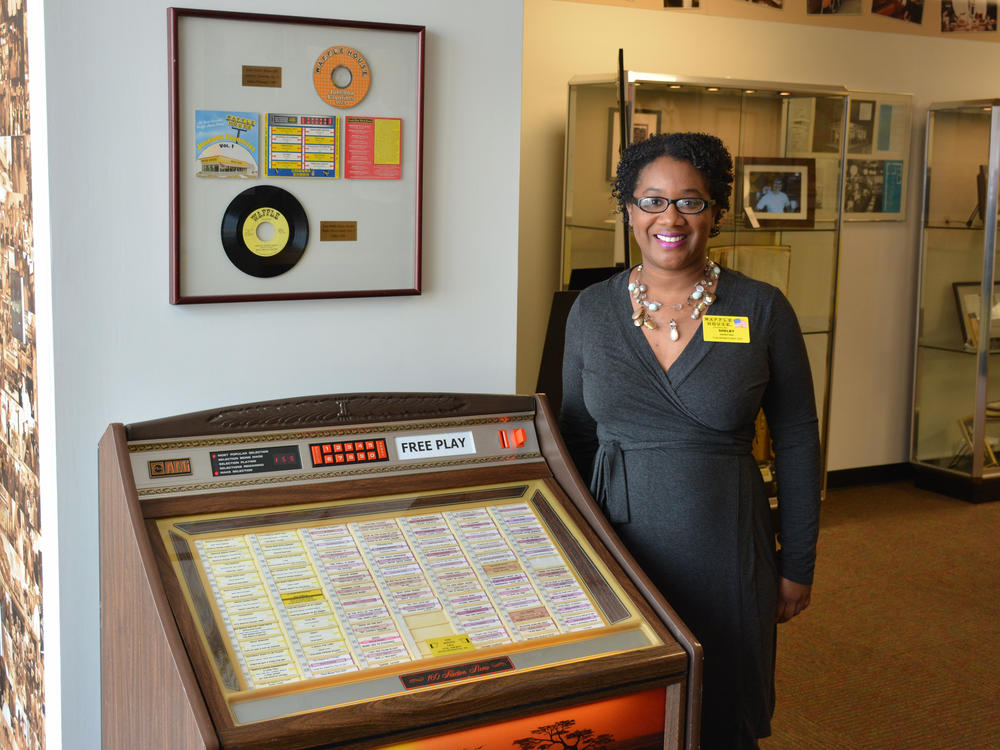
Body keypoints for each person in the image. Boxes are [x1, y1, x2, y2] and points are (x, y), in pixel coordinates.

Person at [559, 132, 821, 750]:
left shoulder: (762, 309)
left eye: (691, 203)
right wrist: (569, 553)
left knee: (722, 714)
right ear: (627, 210)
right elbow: (572, 434)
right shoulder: (591, 312)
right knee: (627, 715)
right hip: (617, 546)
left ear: (718, 212)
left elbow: (799, 441)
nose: (669, 219)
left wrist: (799, 562)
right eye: (651, 201)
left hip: (726, 547)